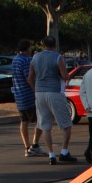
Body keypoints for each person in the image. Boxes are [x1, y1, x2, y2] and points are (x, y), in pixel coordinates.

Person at [27, 35, 76, 164]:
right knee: (66, 123)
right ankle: (64, 151)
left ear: (43, 45)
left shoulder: (35, 57)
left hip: (39, 92)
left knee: (45, 125)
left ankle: (51, 154)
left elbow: (30, 78)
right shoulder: (57, 57)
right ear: (55, 45)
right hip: (54, 91)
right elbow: (65, 75)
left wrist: (35, 89)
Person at [11, 39, 44, 157]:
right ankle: (35, 145)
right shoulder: (26, 61)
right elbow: (29, 78)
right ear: (28, 48)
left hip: (19, 96)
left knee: (24, 121)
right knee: (41, 119)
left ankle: (27, 146)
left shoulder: (15, 60)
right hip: (29, 95)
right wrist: (36, 90)